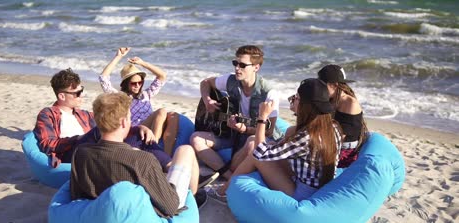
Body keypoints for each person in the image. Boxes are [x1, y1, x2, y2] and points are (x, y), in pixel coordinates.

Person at [70, 93, 207, 216]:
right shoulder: (142, 159)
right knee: (186, 150)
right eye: (129, 118)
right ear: (124, 122)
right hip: (148, 213)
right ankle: (192, 198)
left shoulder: (81, 152)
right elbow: (170, 207)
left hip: (101, 209)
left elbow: (75, 194)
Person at [210, 78, 342, 203]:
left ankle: (221, 192)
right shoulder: (333, 126)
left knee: (254, 157)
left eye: (296, 98)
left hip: (303, 194)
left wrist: (262, 117)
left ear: (305, 105)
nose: (292, 100)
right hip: (319, 186)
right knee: (273, 141)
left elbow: (259, 154)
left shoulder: (306, 137)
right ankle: (229, 181)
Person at [34, 68, 170, 171]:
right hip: (72, 154)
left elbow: (113, 124)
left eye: (82, 90)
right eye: (77, 93)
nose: (82, 95)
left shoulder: (84, 115)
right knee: (100, 130)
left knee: (140, 136)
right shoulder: (48, 114)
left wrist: (139, 128)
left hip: (95, 150)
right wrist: (78, 139)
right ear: (62, 96)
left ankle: (169, 167)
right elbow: (47, 144)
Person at [190, 45, 282, 186]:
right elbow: (205, 82)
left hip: (257, 136)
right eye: (235, 63)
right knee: (196, 139)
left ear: (256, 67)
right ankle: (229, 176)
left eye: (242, 65)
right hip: (232, 134)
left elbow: (269, 130)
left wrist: (245, 129)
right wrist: (207, 100)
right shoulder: (230, 81)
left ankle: (229, 174)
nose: (237, 68)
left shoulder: (269, 93)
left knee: (252, 142)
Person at [99, 47, 179, 156]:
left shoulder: (146, 94)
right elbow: (103, 78)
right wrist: (118, 57)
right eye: (133, 83)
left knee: (171, 115)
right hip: (135, 131)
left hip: (151, 127)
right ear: (126, 83)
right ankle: (153, 148)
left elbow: (162, 76)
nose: (137, 86)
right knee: (161, 111)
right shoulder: (120, 97)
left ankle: (165, 153)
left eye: (140, 82)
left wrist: (142, 63)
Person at [317, 64, 368, 168]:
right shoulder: (329, 100)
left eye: (322, 85)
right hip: (332, 144)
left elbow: (341, 135)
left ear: (334, 85)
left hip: (346, 151)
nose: (319, 88)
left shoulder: (350, 103)